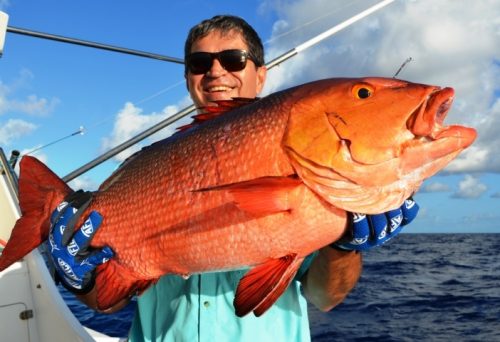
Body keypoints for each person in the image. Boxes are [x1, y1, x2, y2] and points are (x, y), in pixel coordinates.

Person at [47, 15, 418, 341]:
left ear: (261, 74)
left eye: (233, 60)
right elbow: (107, 303)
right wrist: (78, 280)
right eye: (199, 62)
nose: (215, 72)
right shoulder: (151, 164)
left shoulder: (307, 151)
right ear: (188, 77)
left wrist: (344, 247)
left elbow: (325, 297)